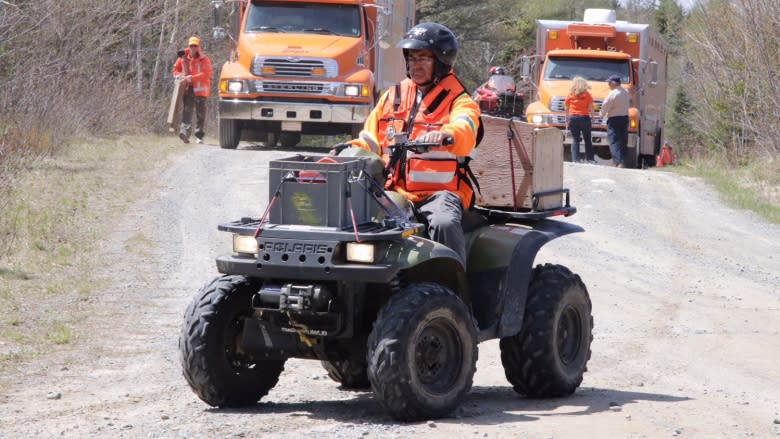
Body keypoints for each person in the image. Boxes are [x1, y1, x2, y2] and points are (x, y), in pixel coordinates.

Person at [338, 23, 481, 267]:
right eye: (412, 58)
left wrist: (447, 136)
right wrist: (348, 149)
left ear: (442, 61)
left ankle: (453, 287)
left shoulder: (461, 101)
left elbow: (466, 128)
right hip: (396, 191)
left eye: (424, 57)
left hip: (441, 194)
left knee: (444, 222)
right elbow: (370, 139)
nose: (416, 64)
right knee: (356, 219)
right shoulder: (392, 96)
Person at [172, 36, 213, 144]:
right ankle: (184, 133)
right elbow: (176, 69)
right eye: (191, 46)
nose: (193, 48)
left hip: (201, 91)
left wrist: (192, 78)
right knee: (187, 112)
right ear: (188, 46)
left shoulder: (205, 59)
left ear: (199, 47)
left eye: (195, 46)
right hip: (188, 89)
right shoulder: (182, 58)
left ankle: (199, 136)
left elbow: (207, 74)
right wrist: (177, 76)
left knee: (201, 114)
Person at [600, 74, 630, 167]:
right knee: (622, 140)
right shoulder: (625, 92)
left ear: (613, 83)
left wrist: (602, 114)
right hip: (624, 118)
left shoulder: (613, 93)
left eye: (609, 82)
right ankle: (621, 160)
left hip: (614, 119)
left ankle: (617, 161)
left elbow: (606, 105)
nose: (608, 84)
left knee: (613, 140)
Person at [564, 76, 595, 163]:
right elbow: (590, 107)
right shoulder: (587, 94)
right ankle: (590, 159)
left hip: (573, 117)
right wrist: (593, 117)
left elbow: (566, 107)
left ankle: (575, 159)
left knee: (575, 139)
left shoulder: (570, 94)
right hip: (584, 117)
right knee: (587, 139)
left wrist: (567, 118)